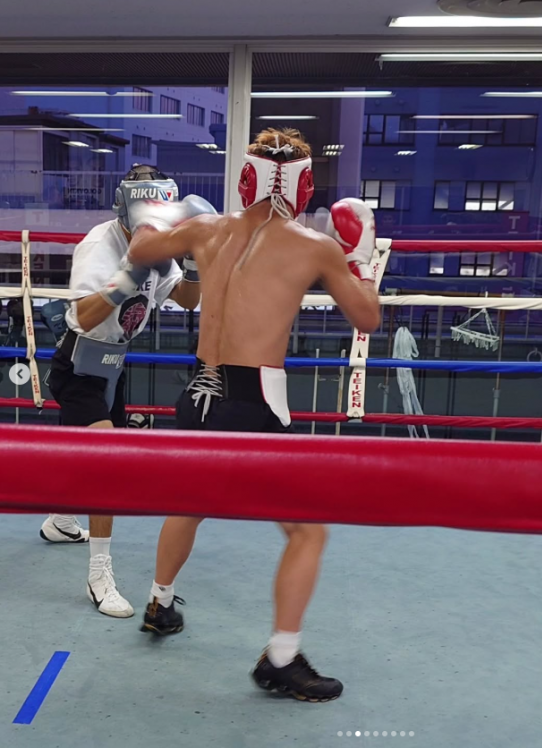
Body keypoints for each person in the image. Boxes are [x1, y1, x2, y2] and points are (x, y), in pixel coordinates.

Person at [128, 128, 380, 703]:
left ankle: (160, 604)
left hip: (199, 392)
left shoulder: (205, 228)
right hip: (253, 401)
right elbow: (367, 318)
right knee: (308, 530)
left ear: (246, 178)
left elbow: (141, 250)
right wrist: (361, 259)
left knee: (189, 502)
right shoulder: (313, 246)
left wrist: (154, 213)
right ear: (305, 186)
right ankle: (281, 660)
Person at [43, 164, 203, 617]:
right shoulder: (101, 245)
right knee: (106, 466)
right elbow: (83, 316)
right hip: (80, 365)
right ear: (127, 208)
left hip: (114, 363)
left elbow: (188, 299)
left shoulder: (160, 242)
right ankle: (99, 575)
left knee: (83, 455)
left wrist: (194, 258)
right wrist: (127, 278)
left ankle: (60, 519)